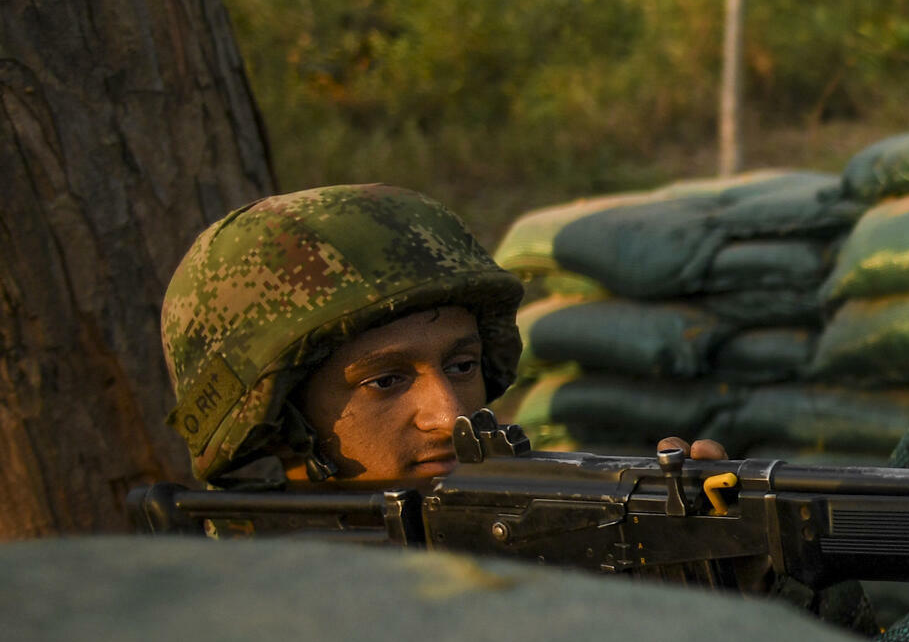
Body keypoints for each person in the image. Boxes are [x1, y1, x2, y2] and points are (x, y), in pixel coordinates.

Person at [160, 184, 720, 489]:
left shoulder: (527, 523)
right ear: (279, 418)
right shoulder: (238, 606)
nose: (448, 413)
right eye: (386, 380)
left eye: (461, 366)